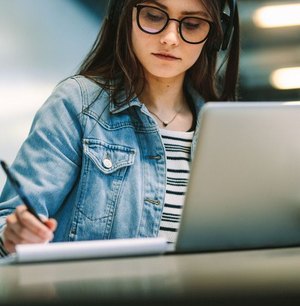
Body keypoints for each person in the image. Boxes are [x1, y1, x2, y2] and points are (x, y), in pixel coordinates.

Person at [0, 0, 240, 256]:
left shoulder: (225, 127)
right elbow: (8, 222)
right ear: (124, 15)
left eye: (192, 24)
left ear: (216, 36)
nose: (170, 38)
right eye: (153, 16)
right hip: (97, 296)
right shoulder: (78, 104)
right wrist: (14, 234)